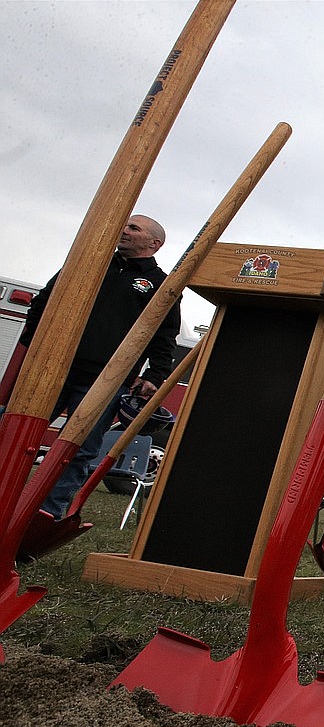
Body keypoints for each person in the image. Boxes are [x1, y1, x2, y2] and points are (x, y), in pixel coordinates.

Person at [21, 215, 179, 520]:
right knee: (14, 434)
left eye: (134, 228)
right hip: (51, 369)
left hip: (106, 380)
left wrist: (155, 375)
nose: (124, 229)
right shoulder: (90, 263)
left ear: (154, 243)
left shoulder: (161, 285)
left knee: (76, 450)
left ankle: (46, 515)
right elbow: (45, 300)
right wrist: (33, 343)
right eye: (125, 224)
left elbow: (164, 334)